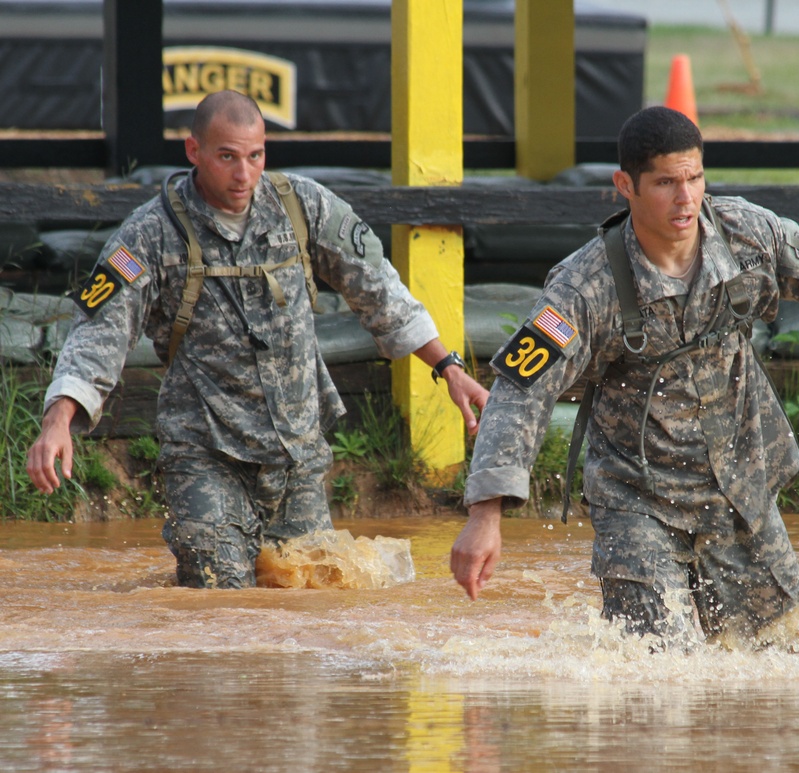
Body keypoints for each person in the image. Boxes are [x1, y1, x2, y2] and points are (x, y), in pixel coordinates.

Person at [451, 106, 799, 649]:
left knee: (795, 650)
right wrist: (485, 513)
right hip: (637, 499)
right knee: (660, 670)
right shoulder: (582, 288)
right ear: (625, 186)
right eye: (664, 182)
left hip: (739, 488)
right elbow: (522, 391)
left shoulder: (749, 235)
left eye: (694, 177)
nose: (685, 198)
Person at [27, 90, 489, 589]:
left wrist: (450, 369)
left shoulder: (303, 206)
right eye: (227, 157)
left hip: (297, 457)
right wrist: (58, 421)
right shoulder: (148, 236)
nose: (243, 175)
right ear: (194, 151)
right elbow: (99, 330)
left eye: (255, 156)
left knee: (306, 601)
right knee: (218, 599)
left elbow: (380, 292)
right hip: (205, 454)